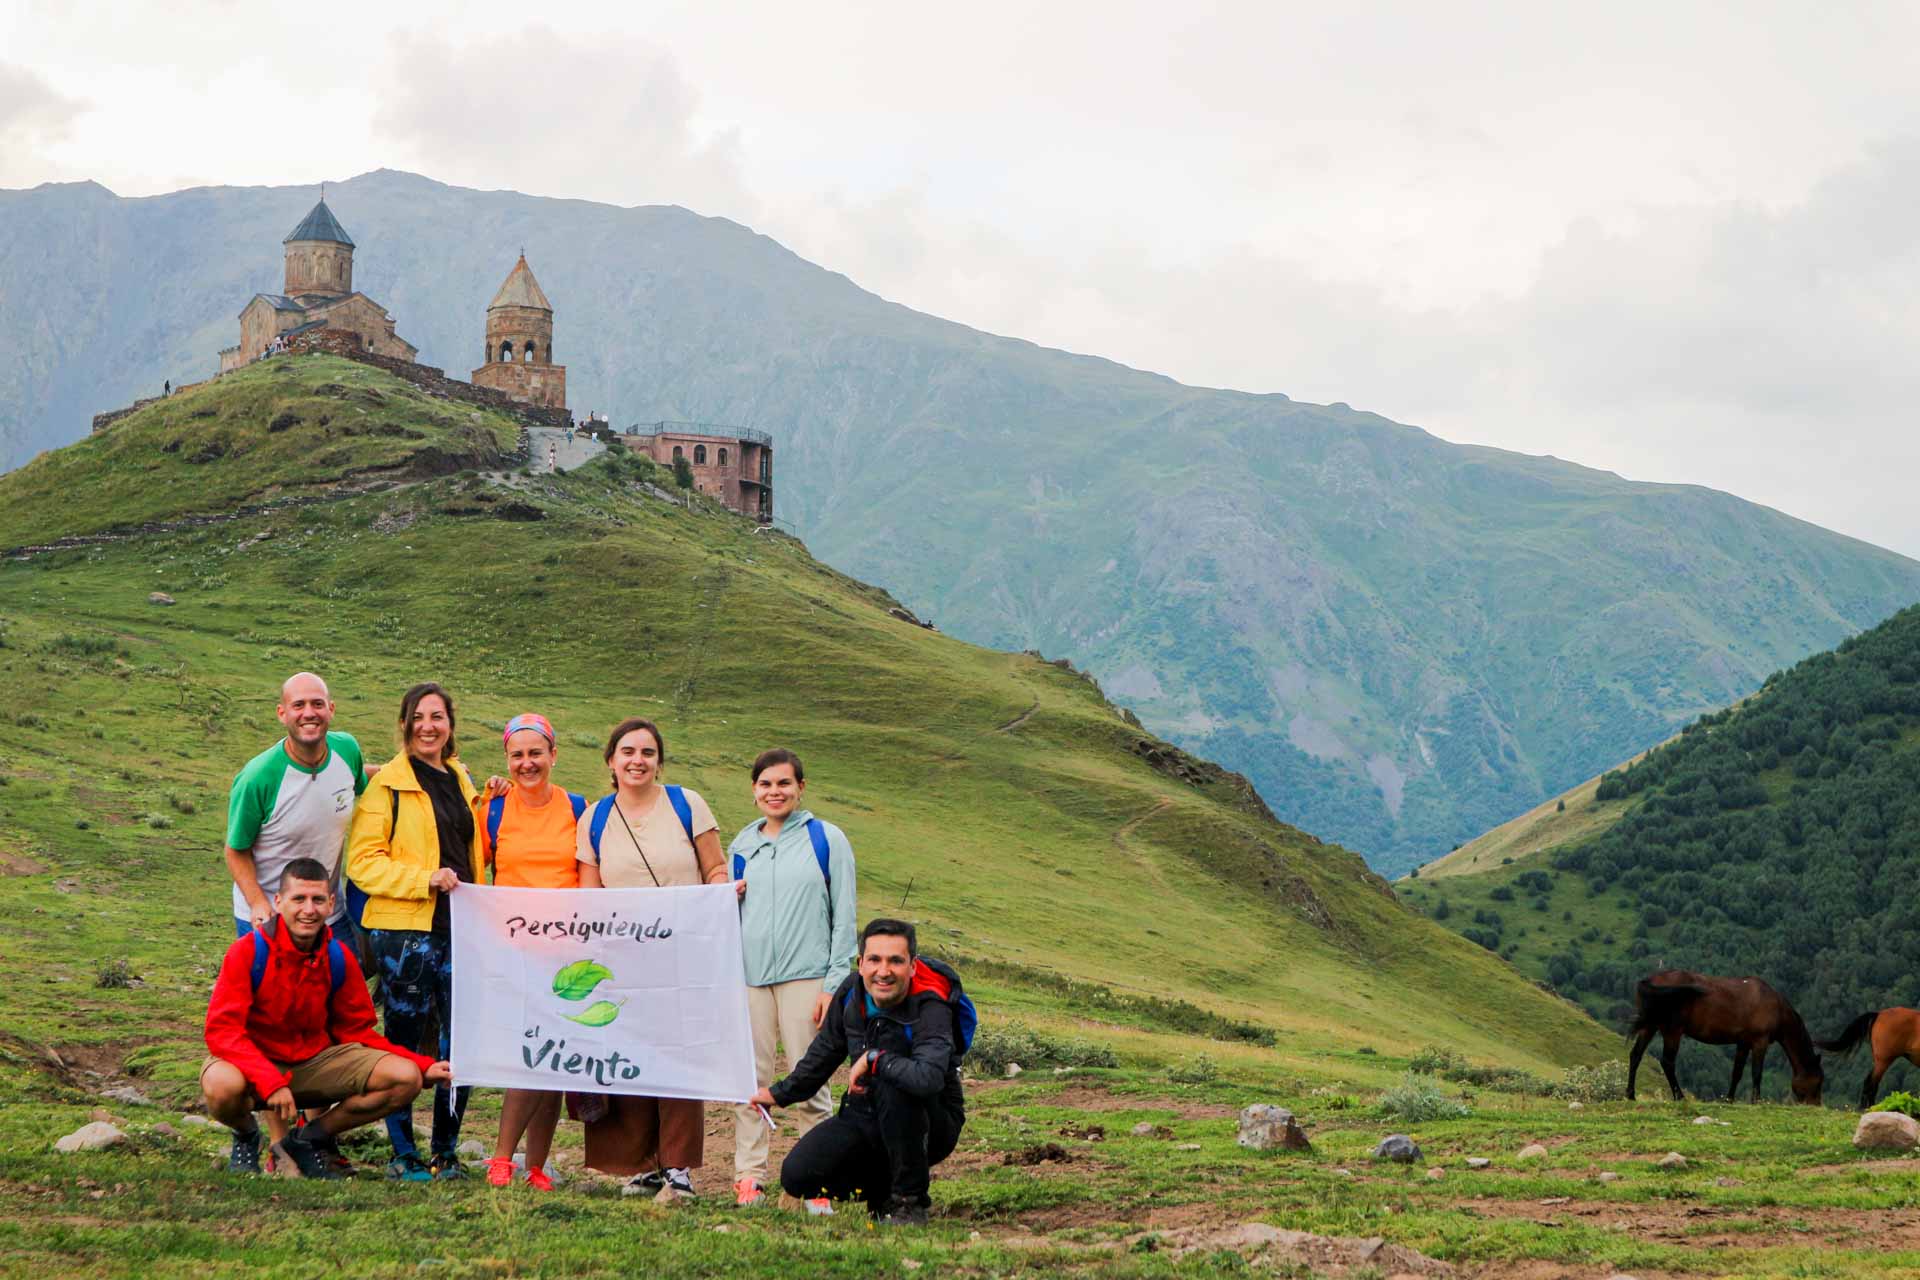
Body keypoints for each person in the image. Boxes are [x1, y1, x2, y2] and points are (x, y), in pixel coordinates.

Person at [202, 857, 452, 1179]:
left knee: (405, 1078)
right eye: (299, 899)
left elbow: (359, 1033)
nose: (309, 909)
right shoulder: (247, 952)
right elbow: (222, 1032)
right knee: (219, 1084)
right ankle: (246, 1134)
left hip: (311, 1065)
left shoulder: (338, 956)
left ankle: (307, 1139)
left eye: (318, 900)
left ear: (331, 903)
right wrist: (270, 1080)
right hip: (255, 1065)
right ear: (278, 902)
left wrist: (421, 1064)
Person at [575, 717, 730, 1201]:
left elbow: (715, 867)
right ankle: (642, 1164)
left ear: (659, 760)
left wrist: (720, 899)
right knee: (632, 1056)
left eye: (646, 752)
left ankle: (678, 1166)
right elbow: (589, 892)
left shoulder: (686, 804)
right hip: (623, 957)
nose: (637, 760)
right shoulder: (595, 818)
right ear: (611, 761)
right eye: (627, 752)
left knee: (678, 1056)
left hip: (682, 953)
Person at [222, 672, 367, 1164]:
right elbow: (235, 849)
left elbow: (371, 794)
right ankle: (280, 1147)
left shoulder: (347, 752)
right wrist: (260, 905)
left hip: (329, 909)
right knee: (275, 1023)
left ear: (332, 709)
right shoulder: (260, 775)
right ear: (281, 713)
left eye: (318, 704)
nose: (310, 713)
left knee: (326, 1019)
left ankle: (315, 1137)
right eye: (299, 705)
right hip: (268, 914)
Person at [346, 681, 483, 1182]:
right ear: (404, 724)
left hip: (461, 929)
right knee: (401, 1044)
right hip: (402, 934)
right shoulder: (386, 786)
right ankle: (403, 1153)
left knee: (461, 1044)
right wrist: (422, 880)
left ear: (451, 725)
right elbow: (362, 862)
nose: (428, 726)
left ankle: (446, 1153)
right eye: (418, 717)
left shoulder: (462, 778)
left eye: (438, 717)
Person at [755, 919, 968, 1225]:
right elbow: (825, 1052)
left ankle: (909, 1203)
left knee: (894, 1081)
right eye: (875, 960)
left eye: (896, 961)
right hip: (865, 1113)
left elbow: (928, 1078)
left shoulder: (931, 1006)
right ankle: (881, 1191)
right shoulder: (851, 994)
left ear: (912, 966)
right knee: (797, 1175)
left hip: (930, 1122)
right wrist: (778, 1093)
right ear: (861, 963)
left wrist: (875, 1059)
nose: (884, 971)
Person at [727, 748, 856, 1206]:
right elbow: (731, 915)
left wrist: (832, 984)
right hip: (751, 977)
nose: (774, 791)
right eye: (765, 784)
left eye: (784, 783)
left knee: (811, 1079)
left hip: (807, 977)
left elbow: (845, 916)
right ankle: (749, 1175)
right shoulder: (742, 846)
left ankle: (816, 1181)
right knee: (749, 1078)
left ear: (801, 788)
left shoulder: (827, 839)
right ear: (754, 791)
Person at [479, 713, 585, 1191]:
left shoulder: (579, 808)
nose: (527, 764)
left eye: (535, 753)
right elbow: (471, 866)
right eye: (517, 755)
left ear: (553, 755)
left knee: (557, 1059)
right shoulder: (493, 808)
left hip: (566, 954)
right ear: (507, 759)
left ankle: (537, 1165)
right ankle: (502, 1157)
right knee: (532, 1055)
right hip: (513, 952)